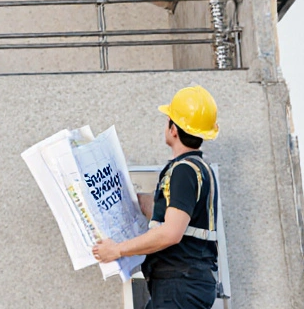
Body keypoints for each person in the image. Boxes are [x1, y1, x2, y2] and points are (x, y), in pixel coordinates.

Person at [92, 86, 222, 308]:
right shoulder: (199, 169)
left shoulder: (184, 171)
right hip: (181, 285)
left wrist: (117, 249)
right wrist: (139, 202)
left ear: (173, 129)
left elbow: (171, 233)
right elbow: (178, 219)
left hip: (179, 285)